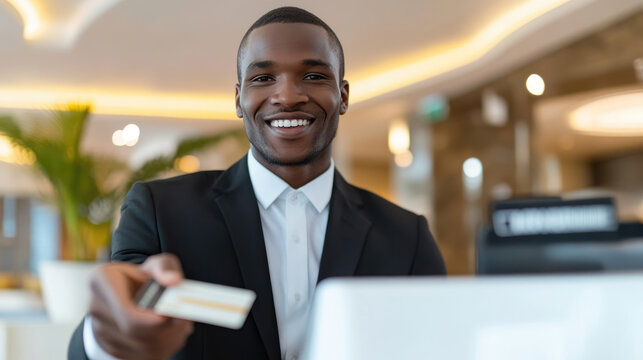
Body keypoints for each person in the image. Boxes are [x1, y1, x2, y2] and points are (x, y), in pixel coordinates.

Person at [68, 6, 446, 360]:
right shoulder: (159, 210)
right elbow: (116, 321)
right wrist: (106, 335)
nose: (287, 96)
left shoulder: (406, 235)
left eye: (313, 76)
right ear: (238, 99)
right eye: (263, 78)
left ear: (343, 96)